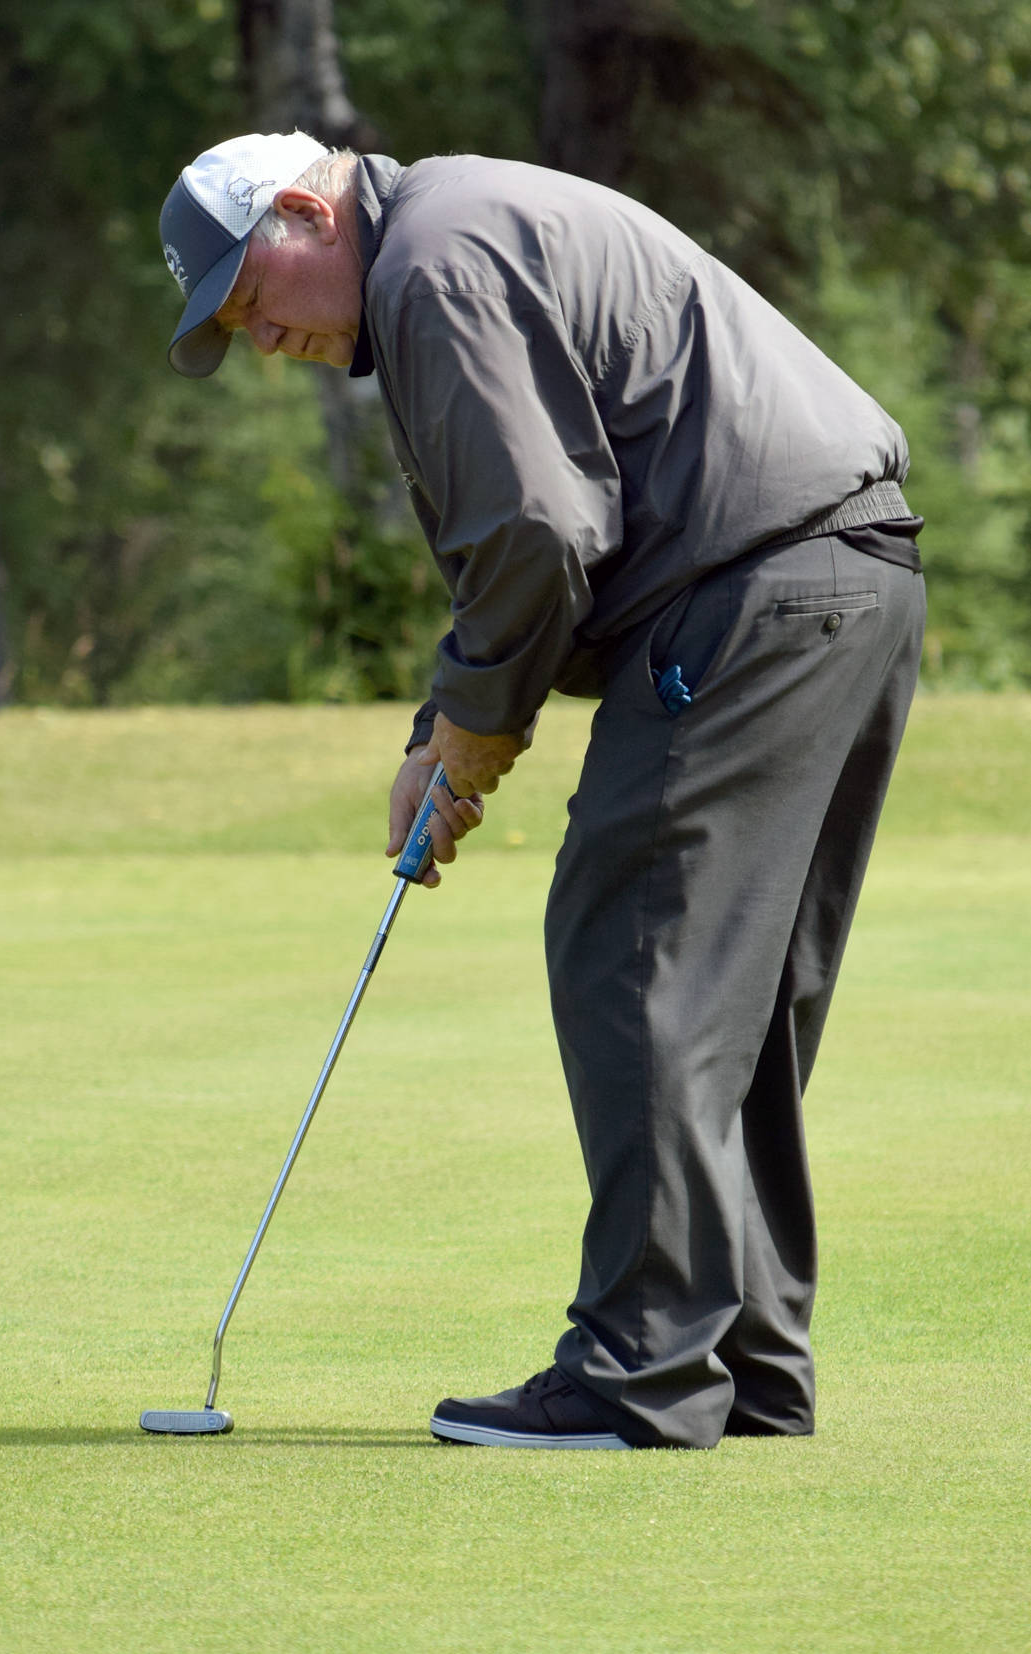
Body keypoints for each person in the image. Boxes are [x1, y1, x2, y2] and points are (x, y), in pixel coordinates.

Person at [158, 132, 926, 1450]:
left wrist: (471, 736)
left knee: (636, 951)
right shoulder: (450, 234)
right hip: (843, 584)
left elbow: (537, 532)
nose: (258, 329)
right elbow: (529, 534)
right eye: (231, 317)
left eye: (251, 286)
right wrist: (439, 731)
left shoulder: (428, 265)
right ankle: (742, 1364)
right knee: (731, 996)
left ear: (305, 205)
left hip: (750, 589)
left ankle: (640, 1374)